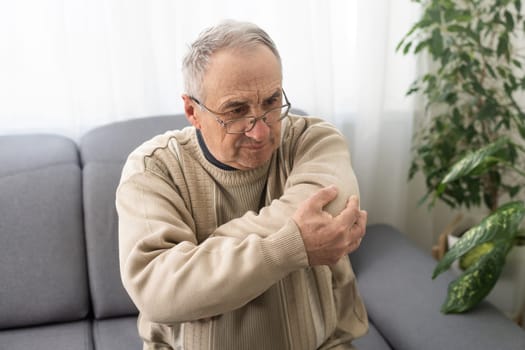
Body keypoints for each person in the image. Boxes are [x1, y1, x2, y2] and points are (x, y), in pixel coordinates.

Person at [116, 19, 368, 350]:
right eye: (236, 111)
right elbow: (159, 294)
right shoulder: (152, 169)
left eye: (271, 102)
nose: (261, 131)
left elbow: (331, 213)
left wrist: (198, 263)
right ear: (192, 110)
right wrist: (290, 245)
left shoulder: (313, 140)